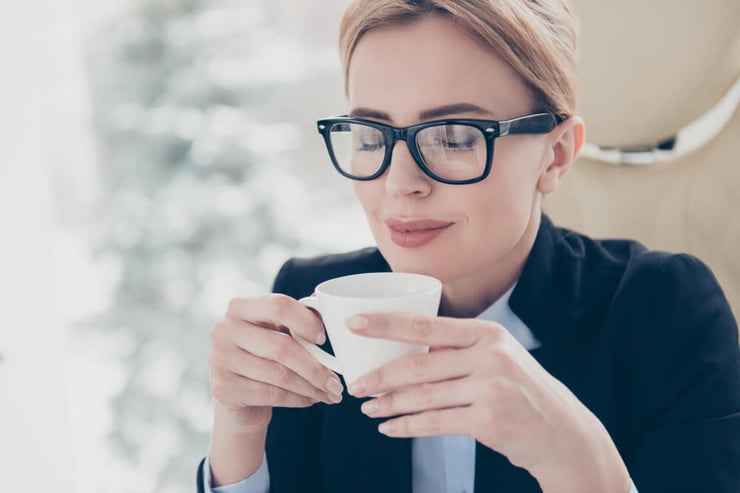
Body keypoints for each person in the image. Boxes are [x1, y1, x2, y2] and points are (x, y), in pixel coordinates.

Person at [197, 0, 740, 492]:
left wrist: (575, 460)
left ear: (555, 156)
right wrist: (238, 434)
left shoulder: (666, 311)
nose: (399, 182)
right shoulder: (310, 308)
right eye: (370, 135)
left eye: (454, 136)